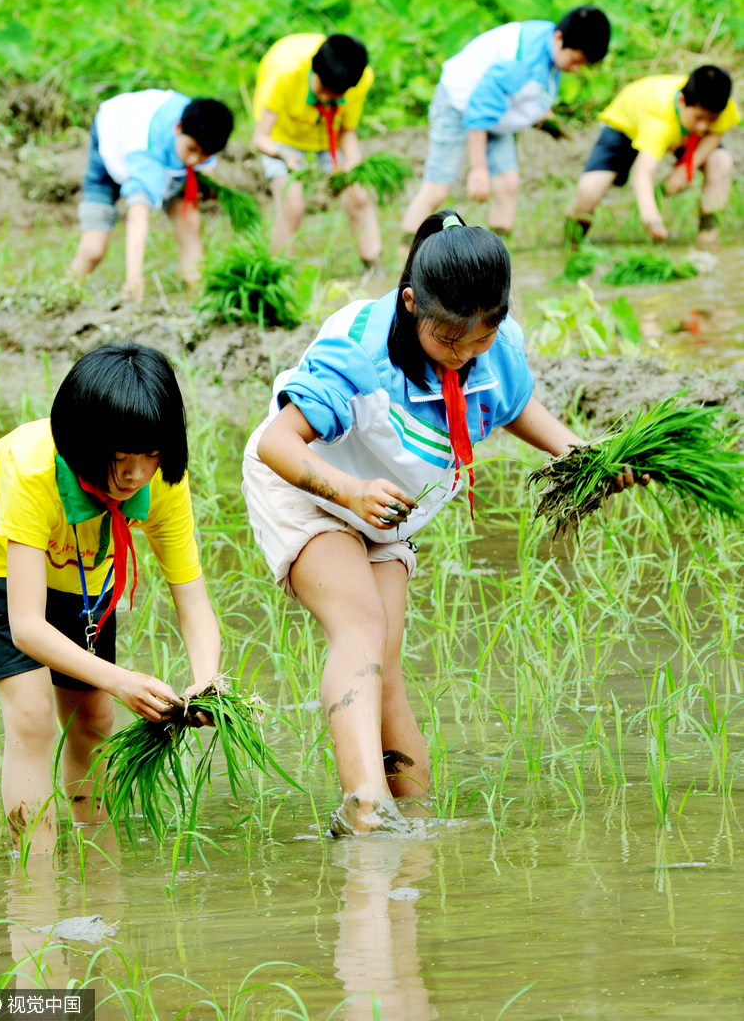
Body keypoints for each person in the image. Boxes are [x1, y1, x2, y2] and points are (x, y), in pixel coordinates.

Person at [242, 210, 640, 835]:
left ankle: (416, 826)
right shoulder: (361, 345)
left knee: (387, 658)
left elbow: (512, 406)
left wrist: (580, 454)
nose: (464, 356)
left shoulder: (490, 347)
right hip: (309, 482)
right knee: (361, 623)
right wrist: (348, 490)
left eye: (481, 339)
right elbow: (277, 443)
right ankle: (366, 808)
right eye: (449, 340)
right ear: (411, 304)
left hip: (387, 506)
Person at [0, 343, 221, 854]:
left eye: (150, 454)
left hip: (81, 563)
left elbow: (192, 600)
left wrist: (205, 683)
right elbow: (26, 626)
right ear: (82, 444)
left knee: (95, 718)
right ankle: (34, 889)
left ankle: (97, 871)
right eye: (120, 458)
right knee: (33, 714)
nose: (134, 475)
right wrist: (123, 680)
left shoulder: (163, 482)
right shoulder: (32, 470)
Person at [401, 7, 611, 240]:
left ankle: (498, 255)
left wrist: (541, 117)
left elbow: (532, 90)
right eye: (576, 60)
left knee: (507, 183)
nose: (576, 68)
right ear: (559, 38)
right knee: (436, 190)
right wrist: (478, 169)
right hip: (458, 105)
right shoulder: (520, 61)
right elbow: (479, 111)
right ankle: (406, 254)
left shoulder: (551, 40)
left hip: (498, 114)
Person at [70, 91, 234, 302]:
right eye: (191, 149)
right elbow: (138, 216)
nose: (195, 159)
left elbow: (201, 162)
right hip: (111, 148)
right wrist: (134, 277)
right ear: (177, 128)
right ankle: (67, 293)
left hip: (166, 161)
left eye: (204, 155)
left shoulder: (202, 128)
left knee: (189, 220)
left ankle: (198, 294)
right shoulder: (146, 149)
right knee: (94, 248)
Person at [252, 33, 382, 274]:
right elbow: (261, 138)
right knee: (292, 205)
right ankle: (278, 275)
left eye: (336, 94)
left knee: (358, 195)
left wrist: (352, 163)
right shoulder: (285, 71)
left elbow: (347, 131)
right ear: (315, 72)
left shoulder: (359, 78)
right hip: (282, 138)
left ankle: (374, 267)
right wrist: (284, 157)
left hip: (328, 132)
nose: (325, 98)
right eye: (323, 89)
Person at [567, 65, 739, 246]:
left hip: (683, 134)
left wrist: (685, 168)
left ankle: (708, 241)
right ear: (682, 101)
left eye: (711, 119)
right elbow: (643, 172)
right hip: (625, 130)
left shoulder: (720, 104)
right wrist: (650, 216)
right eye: (699, 118)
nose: (704, 126)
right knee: (588, 191)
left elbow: (716, 132)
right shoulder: (659, 119)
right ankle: (571, 245)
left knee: (722, 161)